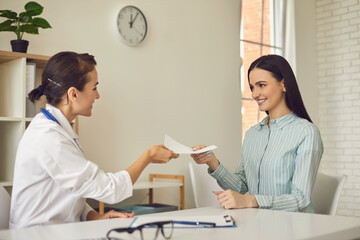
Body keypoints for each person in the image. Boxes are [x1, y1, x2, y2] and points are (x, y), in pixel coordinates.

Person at [10, 51, 179, 229]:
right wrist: (148, 157)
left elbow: (72, 190)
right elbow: (109, 189)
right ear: (73, 94)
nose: (97, 96)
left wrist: (95, 217)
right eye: (94, 88)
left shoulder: (57, 130)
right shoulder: (49, 138)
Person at [191, 54, 323, 212]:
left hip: (293, 229)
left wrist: (251, 200)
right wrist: (212, 161)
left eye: (261, 85)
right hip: (258, 224)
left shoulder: (306, 132)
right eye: (252, 87)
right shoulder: (252, 134)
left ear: (284, 84)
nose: (254, 94)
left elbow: (300, 198)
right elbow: (240, 186)